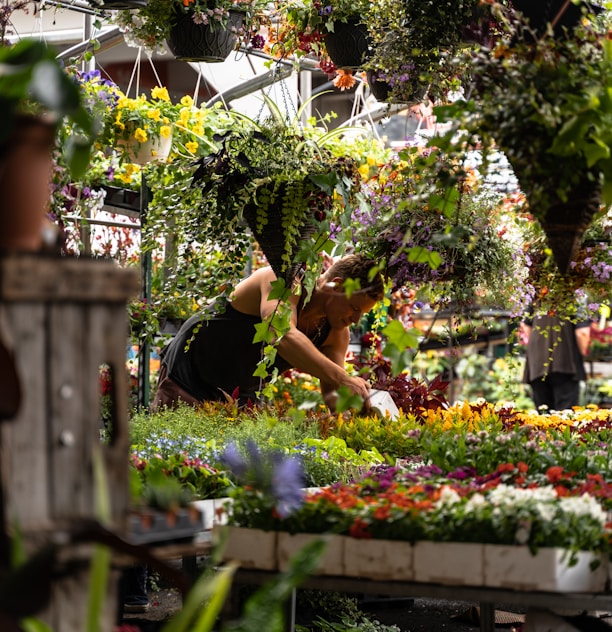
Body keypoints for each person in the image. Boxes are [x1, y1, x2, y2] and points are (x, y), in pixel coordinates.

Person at [152, 254, 386, 412]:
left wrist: (362, 403)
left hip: (238, 394)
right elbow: (281, 334)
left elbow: (333, 396)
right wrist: (343, 378)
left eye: (361, 314)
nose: (355, 320)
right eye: (354, 308)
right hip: (189, 374)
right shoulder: (283, 281)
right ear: (337, 285)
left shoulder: (336, 332)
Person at [521, 311, 591, 411]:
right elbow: (582, 333)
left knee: (543, 416)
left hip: (537, 365)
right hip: (566, 363)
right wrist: (585, 353)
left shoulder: (534, 296)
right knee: (565, 417)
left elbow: (525, 326)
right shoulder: (575, 297)